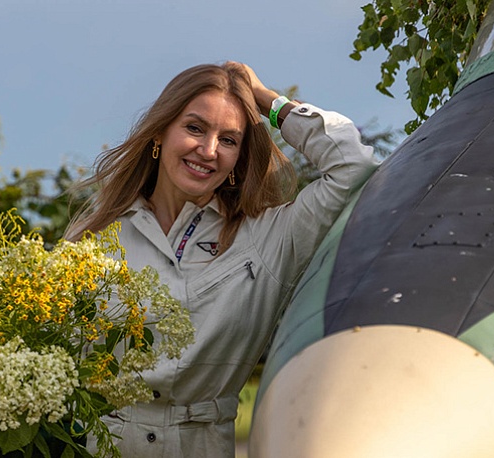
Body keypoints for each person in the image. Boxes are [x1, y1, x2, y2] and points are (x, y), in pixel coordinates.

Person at [66, 61, 379, 457]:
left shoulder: (269, 238)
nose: (208, 150)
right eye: (195, 128)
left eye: (229, 140)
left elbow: (353, 166)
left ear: (238, 157)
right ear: (161, 132)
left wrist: (268, 101)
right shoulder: (94, 236)